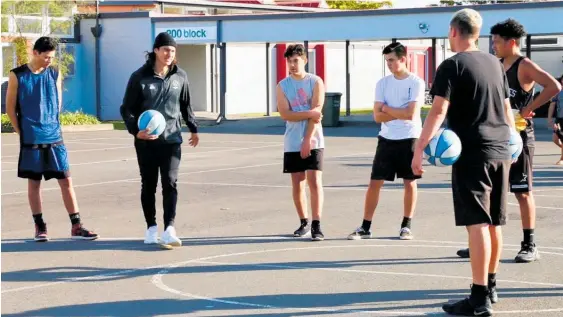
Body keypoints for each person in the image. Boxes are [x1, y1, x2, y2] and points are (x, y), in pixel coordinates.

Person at [411, 9, 517, 315]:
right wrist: (513, 143)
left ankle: (479, 298)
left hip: (473, 154)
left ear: (453, 31)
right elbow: (507, 108)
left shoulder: (452, 65)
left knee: (478, 224)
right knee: (494, 221)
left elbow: (438, 111)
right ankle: (491, 286)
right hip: (500, 149)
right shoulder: (494, 64)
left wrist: (419, 149)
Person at [456, 19, 562, 263]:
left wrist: (529, 108)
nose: (493, 45)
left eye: (497, 41)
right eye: (492, 41)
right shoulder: (495, 64)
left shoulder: (525, 66)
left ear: (511, 42)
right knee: (487, 190)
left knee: (522, 192)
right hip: (494, 137)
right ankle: (480, 241)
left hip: (520, 137)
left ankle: (529, 244)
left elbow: (554, 86)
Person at [5, 36, 98, 242]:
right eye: (46, 56)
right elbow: (10, 107)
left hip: (54, 136)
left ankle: (76, 226)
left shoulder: (55, 73)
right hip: (31, 137)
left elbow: (57, 104)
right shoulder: (17, 75)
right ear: (35, 53)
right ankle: (39, 226)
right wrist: (21, 131)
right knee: (34, 184)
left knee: (66, 181)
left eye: (52, 57)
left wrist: (54, 125)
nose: (49, 60)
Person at [120, 32, 199, 248]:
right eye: (165, 50)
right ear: (156, 50)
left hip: (172, 139)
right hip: (146, 141)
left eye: (172, 51)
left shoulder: (180, 76)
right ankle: (151, 228)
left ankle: (169, 229)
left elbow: (186, 105)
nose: (169, 54)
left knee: (170, 182)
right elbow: (127, 109)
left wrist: (193, 128)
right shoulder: (140, 77)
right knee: (149, 184)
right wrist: (135, 131)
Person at [347, 42, 425, 241]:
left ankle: (406, 226)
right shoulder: (382, 83)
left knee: (410, 182)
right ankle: (365, 226)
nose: (389, 64)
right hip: (386, 139)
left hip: (410, 137)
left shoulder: (416, 82)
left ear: (403, 58)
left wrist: (388, 109)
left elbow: (410, 114)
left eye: (391, 60)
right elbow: (377, 116)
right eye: (387, 61)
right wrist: (396, 112)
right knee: (375, 183)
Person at [276, 44, 325, 241]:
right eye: (289, 61)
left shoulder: (315, 82)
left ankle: (316, 224)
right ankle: (303, 221)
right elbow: (285, 114)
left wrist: (307, 139)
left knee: (314, 181)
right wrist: (308, 113)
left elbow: (317, 114)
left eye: (296, 60)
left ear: (304, 60)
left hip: (314, 140)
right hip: (292, 141)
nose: (292, 65)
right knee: (298, 183)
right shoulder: (282, 86)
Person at [547, 75, 563, 165]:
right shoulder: (558, 92)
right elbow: (552, 105)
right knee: (555, 139)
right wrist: (549, 118)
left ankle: (562, 159)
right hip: (559, 119)